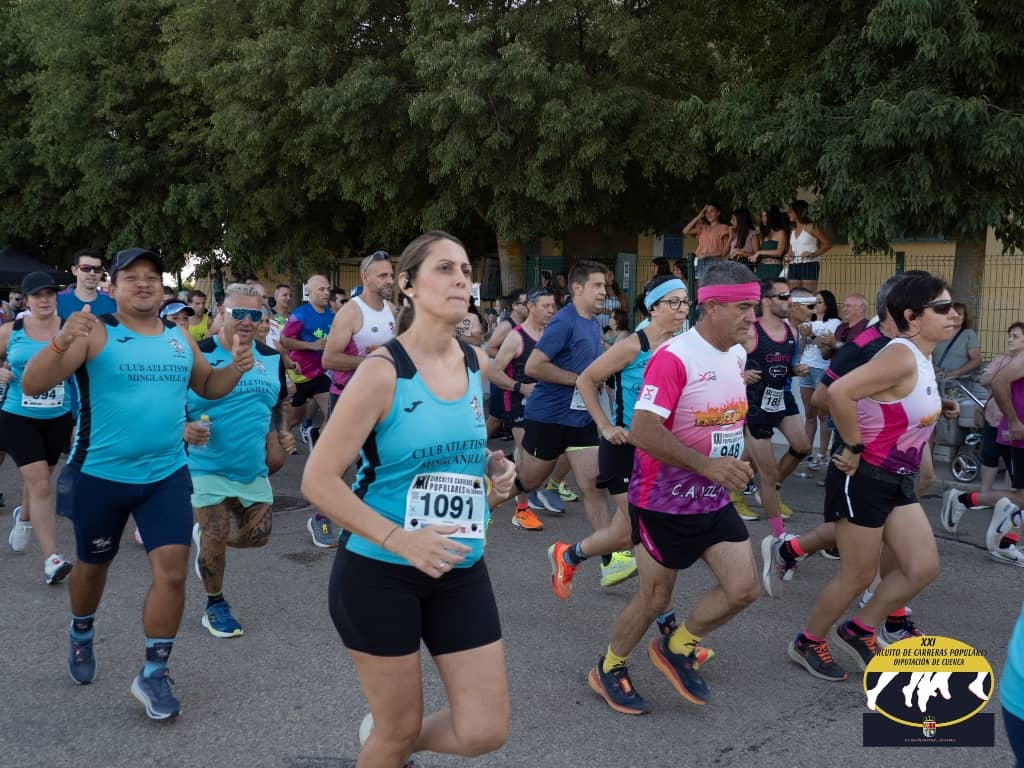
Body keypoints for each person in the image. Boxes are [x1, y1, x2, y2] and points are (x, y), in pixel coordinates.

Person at [302, 231, 515, 767]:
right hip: (380, 571)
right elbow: (318, 480)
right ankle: (390, 741)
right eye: (444, 268)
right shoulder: (382, 372)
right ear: (408, 285)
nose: (460, 279)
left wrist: (493, 475)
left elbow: (455, 455)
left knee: (484, 730)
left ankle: (389, 741)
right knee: (398, 728)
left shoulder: (474, 362)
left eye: (464, 270)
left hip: (459, 566)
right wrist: (401, 540)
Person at [22, 247, 254, 720]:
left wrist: (236, 367)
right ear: (113, 287)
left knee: (172, 573)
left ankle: (153, 672)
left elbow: (208, 386)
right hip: (100, 476)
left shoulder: (178, 337)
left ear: (163, 288)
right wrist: (62, 342)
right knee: (92, 569)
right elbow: (31, 384)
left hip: (166, 475)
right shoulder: (95, 331)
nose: (144, 283)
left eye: (152, 276)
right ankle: (81, 630)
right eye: (131, 277)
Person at [584, 261, 759, 715]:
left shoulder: (736, 356)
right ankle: (609, 667)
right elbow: (643, 430)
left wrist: (736, 463)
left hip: (712, 499)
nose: (751, 317)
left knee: (743, 588)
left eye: (754, 307)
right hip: (663, 501)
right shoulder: (675, 357)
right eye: (743, 307)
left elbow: (724, 421)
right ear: (714, 307)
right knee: (655, 599)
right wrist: (707, 465)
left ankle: (677, 646)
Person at [787, 273, 955, 682]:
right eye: (943, 308)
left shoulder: (921, 356)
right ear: (913, 316)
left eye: (953, 306)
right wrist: (852, 445)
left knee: (922, 566)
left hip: (896, 478)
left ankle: (860, 629)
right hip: (864, 476)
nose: (954, 314)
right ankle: (808, 641)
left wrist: (940, 405)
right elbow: (837, 393)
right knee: (858, 575)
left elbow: (897, 403)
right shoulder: (900, 355)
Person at [550, 276, 691, 608]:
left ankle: (568, 555)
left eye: (686, 302)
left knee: (624, 533)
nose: (682, 309)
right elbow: (586, 380)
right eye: (673, 302)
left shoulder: (684, 347)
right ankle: (664, 617)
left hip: (659, 451)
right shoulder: (632, 345)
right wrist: (605, 426)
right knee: (647, 530)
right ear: (653, 307)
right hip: (624, 448)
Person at [186, 284, 293, 638]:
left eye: (255, 314)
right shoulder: (199, 354)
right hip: (205, 464)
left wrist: (282, 432)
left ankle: (206, 536)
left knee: (257, 537)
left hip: (251, 467)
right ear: (221, 313)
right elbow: (168, 402)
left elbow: (279, 402)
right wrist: (184, 428)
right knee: (216, 535)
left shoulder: (272, 358)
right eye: (239, 313)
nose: (247, 320)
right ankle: (215, 604)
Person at [513, 261, 626, 578]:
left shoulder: (592, 323)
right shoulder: (564, 322)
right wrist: (579, 380)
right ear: (577, 288)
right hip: (549, 417)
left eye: (605, 286)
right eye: (597, 285)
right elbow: (534, 366)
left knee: (593, 484)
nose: (604, 291)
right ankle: (488, 499)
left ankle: (610, 561)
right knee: (529, 481)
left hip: (580, 417)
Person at [0, 272, 76, 583]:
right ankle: (51, 560)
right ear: (26, 300)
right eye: (37, 295)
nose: (44, 300)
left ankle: (25, 517)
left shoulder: (70, 330)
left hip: (59, 416)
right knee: (42, 484)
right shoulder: (11, 331)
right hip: (17, 416)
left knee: (41, 478)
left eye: (49, 294)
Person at [729, 279, 811, 554]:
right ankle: (779, 537)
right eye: (784, 296)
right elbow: (720, 358)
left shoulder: (792, 332)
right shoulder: (749, 331)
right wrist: (740, 375)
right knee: (767, 471)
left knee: (802, 446)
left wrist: (795, 370)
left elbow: (783, 366)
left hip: (781, 398)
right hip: (755, 405)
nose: (790, 301)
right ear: (766, 301)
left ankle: (754, 489)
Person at [489, 288, 558, 531]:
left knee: (545, 457)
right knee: (526, 455)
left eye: (553, 306)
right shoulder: (516, 337)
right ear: (531, 307)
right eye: (545, 306)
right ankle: (522, 510)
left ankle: (499, 475)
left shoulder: (552, 335)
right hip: (519, 404)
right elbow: (494, 372)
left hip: (547, 405)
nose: (551, 311)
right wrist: (521, 387)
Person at [796, 290, 841, 469]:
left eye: (819, 302)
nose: (815, 305)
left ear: (828, 304)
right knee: (809, 414)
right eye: (813, 302)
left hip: (822, 369)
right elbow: (801, 347)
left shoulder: (834, 323)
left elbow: (827, 346)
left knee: (824, 415)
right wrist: (803, 337)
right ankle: (806, 453)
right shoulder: (809, 322)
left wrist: (811, 335)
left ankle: (822, 454)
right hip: (806, 367)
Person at [484, 289, 528, 438]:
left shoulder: (526, 325)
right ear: (514, 306)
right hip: (501, 376)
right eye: (525, 303)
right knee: (495, 418)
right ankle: (476, 446)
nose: (529, 306)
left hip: (516, 378)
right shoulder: (506, 325)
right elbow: (489, 348)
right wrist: (512, 359)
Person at [785, 199, 833, 293]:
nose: (788, 214)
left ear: (798, 212)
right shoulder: (793, 230)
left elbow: (828, 244)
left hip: (809, 264)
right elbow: (791, 250)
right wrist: (788, 256)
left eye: (791, 211)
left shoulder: (811, 227)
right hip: (793, 265)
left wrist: (813, 255)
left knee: (808, 296)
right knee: (794, 296)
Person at [57, 249, 117, 319]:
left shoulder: (113, 302)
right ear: (74, 270)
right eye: (86, 268)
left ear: (101, 273)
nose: (92, 273)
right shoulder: (57, 301)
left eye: (97, 269)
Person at [932, 301, 982, 385]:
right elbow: (927, 355)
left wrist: (954, 373)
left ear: (964, 317)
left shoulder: (969, 334)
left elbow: (976, 360)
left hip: (960, 383)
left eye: (960, 314)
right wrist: (935, 369)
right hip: (936, 381)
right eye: (953, 313)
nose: (956, 316)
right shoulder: (937, 333)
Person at [683, 203, 730, 284]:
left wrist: (707, 254)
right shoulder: (703, 227)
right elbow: (685, 231)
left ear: (718, 213)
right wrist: (699, 216)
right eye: (706, 212)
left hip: (714, 262)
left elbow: (725, 251)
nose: (708, 214)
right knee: (702, 289)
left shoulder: (723, 228)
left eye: (712, 211)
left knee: (713, 288)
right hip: (700, 261)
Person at [820, 293, 869, 358]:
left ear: (861, 308)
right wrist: (827, 346)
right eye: (844, 306)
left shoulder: (868, 327)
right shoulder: (841, 327)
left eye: (848, 306)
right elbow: (825, 356)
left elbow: (859, 351)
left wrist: (835, 344)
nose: (844, 309)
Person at [751, 207, 789, 281]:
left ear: (772, 217)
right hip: (761, 268)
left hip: (774, 269)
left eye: (765, 216)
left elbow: (779, 252)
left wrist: (759, 252)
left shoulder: (781, 232)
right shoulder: (764, 233)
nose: (763, 218)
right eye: (762, 216)